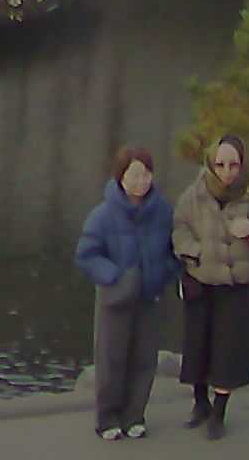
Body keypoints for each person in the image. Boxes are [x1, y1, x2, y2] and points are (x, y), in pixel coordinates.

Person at [172, 136, 249, 439]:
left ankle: (219, 413)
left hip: (237, 283)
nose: (227, 171)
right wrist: (196, 252)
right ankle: (200, 402)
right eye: (221, 164)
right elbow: (179, 229)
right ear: (211, 164)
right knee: (197, 345)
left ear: (242, 164)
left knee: (229, 350)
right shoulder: (195, 193)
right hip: (202, 279)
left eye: (233, 165)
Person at [75, 145, 178, 440]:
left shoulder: (162, 211)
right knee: (112, 359)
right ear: (120, 177)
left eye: (146, 174)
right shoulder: (103, 214)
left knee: (144, 359)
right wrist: (115, 277)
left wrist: (163, 274)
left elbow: (176, 251)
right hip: (115, 298)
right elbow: (86, 255)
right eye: (134, 175)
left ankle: (134, 415)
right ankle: (107, 418)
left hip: (148, 296)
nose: (140, 181)